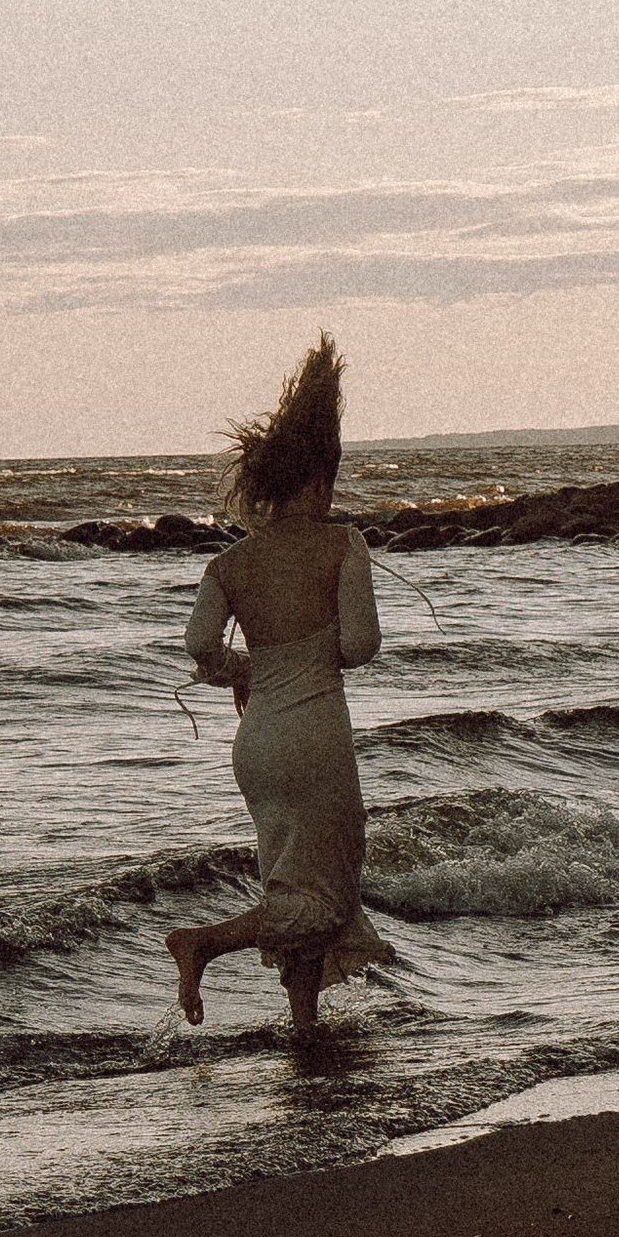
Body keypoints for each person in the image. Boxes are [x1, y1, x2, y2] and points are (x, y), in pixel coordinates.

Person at [165, 332, 394, 1038]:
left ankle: (304, 1025)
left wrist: (246, 669)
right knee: (323, 893)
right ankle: (202, 941)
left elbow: (199, 646)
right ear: (319, 481)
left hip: (257, 746)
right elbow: (360, 646)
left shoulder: (231, 563)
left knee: (293, 883)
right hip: (316, 738)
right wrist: (310, 653)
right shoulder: (343, 544)